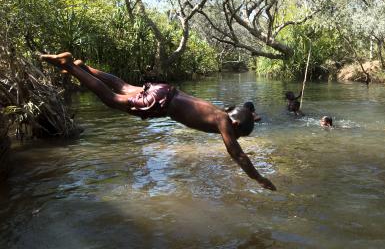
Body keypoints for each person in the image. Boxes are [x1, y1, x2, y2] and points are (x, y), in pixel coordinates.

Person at [41, 52, 276, 191]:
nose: (233, 138)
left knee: (122, 86)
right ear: (235, 126)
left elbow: (245, 111)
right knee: (112, 99)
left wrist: (251, 115)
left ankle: (85, 68)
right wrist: (259, 178)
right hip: (162, 103)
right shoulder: (224, 121)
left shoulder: (218, 110)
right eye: (237, 135)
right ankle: (69, 66)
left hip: (165, 90)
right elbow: (238, 155)